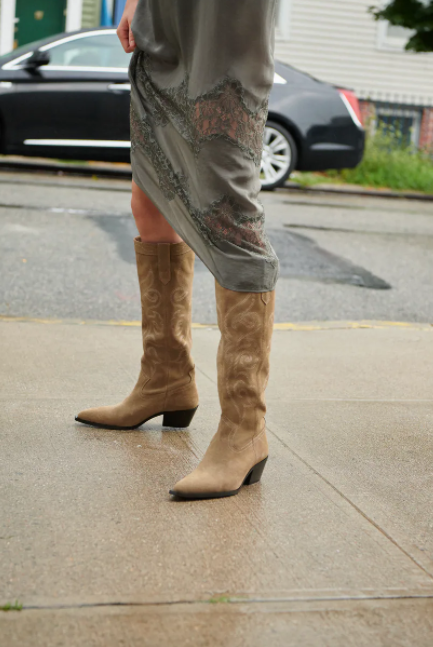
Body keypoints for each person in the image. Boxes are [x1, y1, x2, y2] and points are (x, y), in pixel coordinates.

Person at [76, 0, 279, 500]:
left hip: (223, 20)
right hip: (165, 18)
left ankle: (244, 428)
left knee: (229, 214)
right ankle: (164, 377)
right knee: (149, 198)